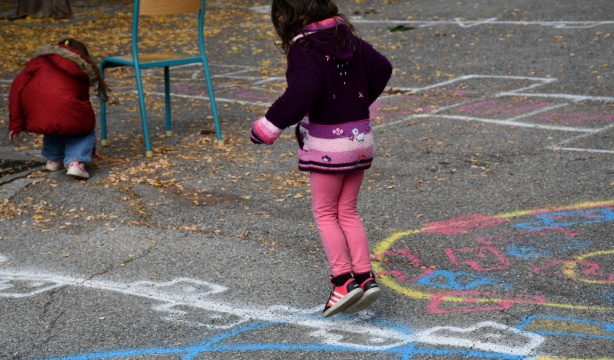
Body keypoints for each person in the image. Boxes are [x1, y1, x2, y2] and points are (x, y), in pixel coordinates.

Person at [251, 0, 393, 317]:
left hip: (329, 144)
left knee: (326, 212)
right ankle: (365, 278)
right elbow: (382, 67)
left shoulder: (304, 49)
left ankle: (343, 283)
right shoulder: (348, 38)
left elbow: (303, 90)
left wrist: (267, 127)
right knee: (348, 210)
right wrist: (355, 105)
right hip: (359, 139)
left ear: (286, 15)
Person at [8, 38, 109, 179]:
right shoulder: (79, 67)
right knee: (81, 128)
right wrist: (89, 150)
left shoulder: (37, 62)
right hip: (65, 105)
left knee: (53, 122)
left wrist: (15, 123)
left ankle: (54, 160)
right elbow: (82, 104)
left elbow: (16, 89)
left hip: (37, 108)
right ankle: (76, 162)